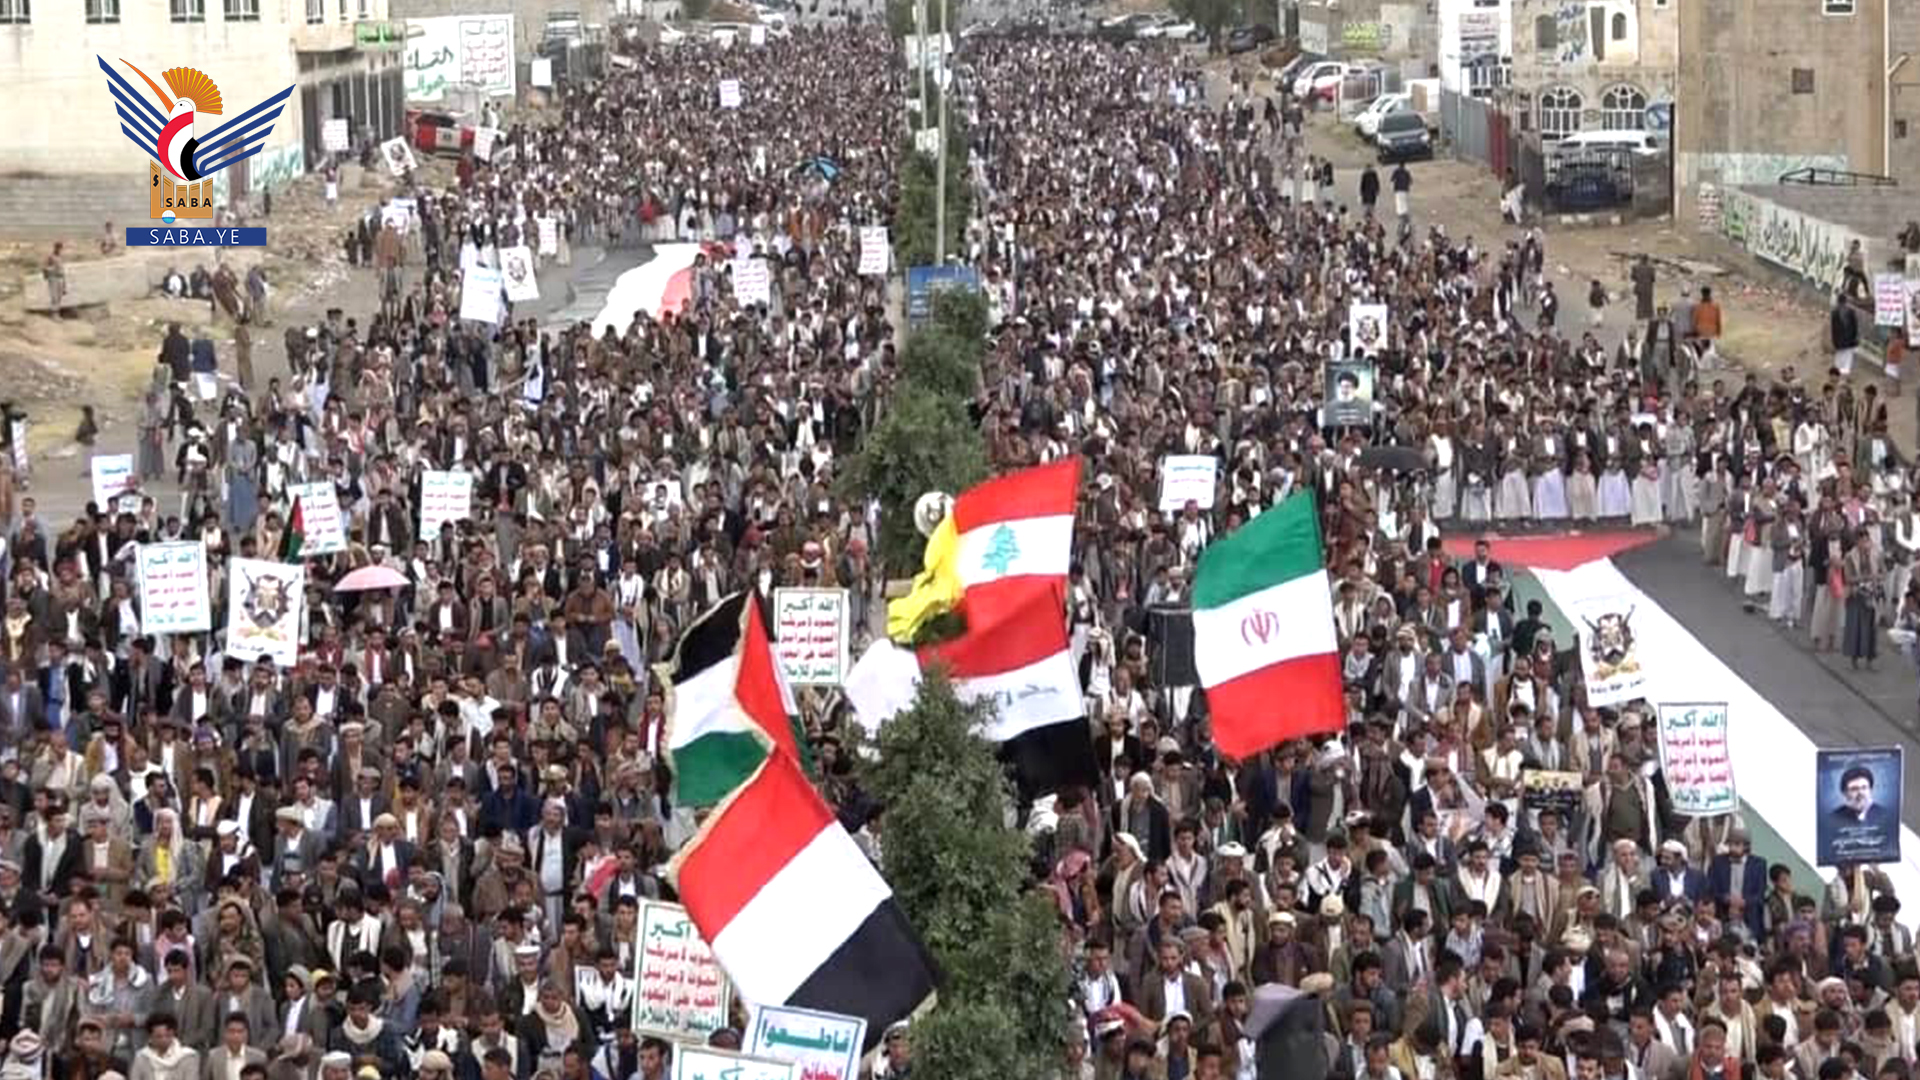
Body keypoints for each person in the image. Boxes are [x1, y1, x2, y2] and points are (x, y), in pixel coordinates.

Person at [1831, 766, 1895, 829]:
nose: (1860, 793)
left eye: (1864, 788)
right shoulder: (1834, 818)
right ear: (1845, 793)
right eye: (1854, 789)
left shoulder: (1886, 815)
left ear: (1870, 790)